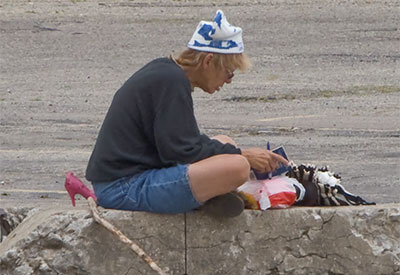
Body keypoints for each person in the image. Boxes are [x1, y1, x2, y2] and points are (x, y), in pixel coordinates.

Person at [85, 10, 288, 217]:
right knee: (238, 167)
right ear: (208, 61)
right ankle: (206, 198)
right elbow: (180, 151)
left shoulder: (166, 73)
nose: (229, 81)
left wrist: (235, 151)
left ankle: (207, 199)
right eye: (229, 72)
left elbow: (181, 143)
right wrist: (244, 155)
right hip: (123, 188)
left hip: (123, 180)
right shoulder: (172, 82)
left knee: (227, 144)